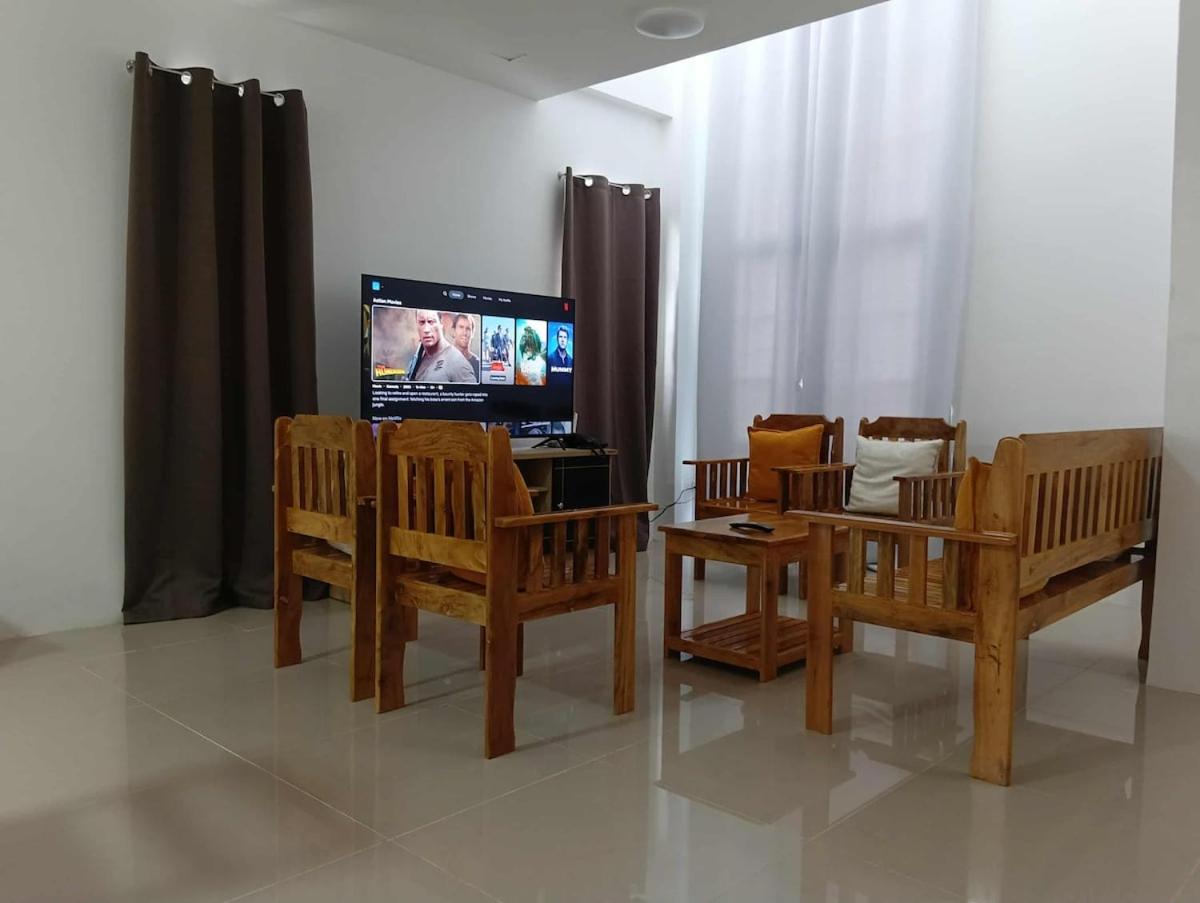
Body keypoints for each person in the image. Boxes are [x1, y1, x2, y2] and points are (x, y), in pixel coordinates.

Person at [405, 309, 476, 383]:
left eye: (431, 322)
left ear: (441, 322)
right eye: (422, 322)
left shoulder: (456, 361)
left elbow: (474, 389)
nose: (426, 330)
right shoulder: (417, 358)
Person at [451, 313, 481, 382]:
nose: (464, 333)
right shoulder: (443, 360)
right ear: (453, 331)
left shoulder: (478, 364)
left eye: (468, 328)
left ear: (472, 333)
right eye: (461, 327)